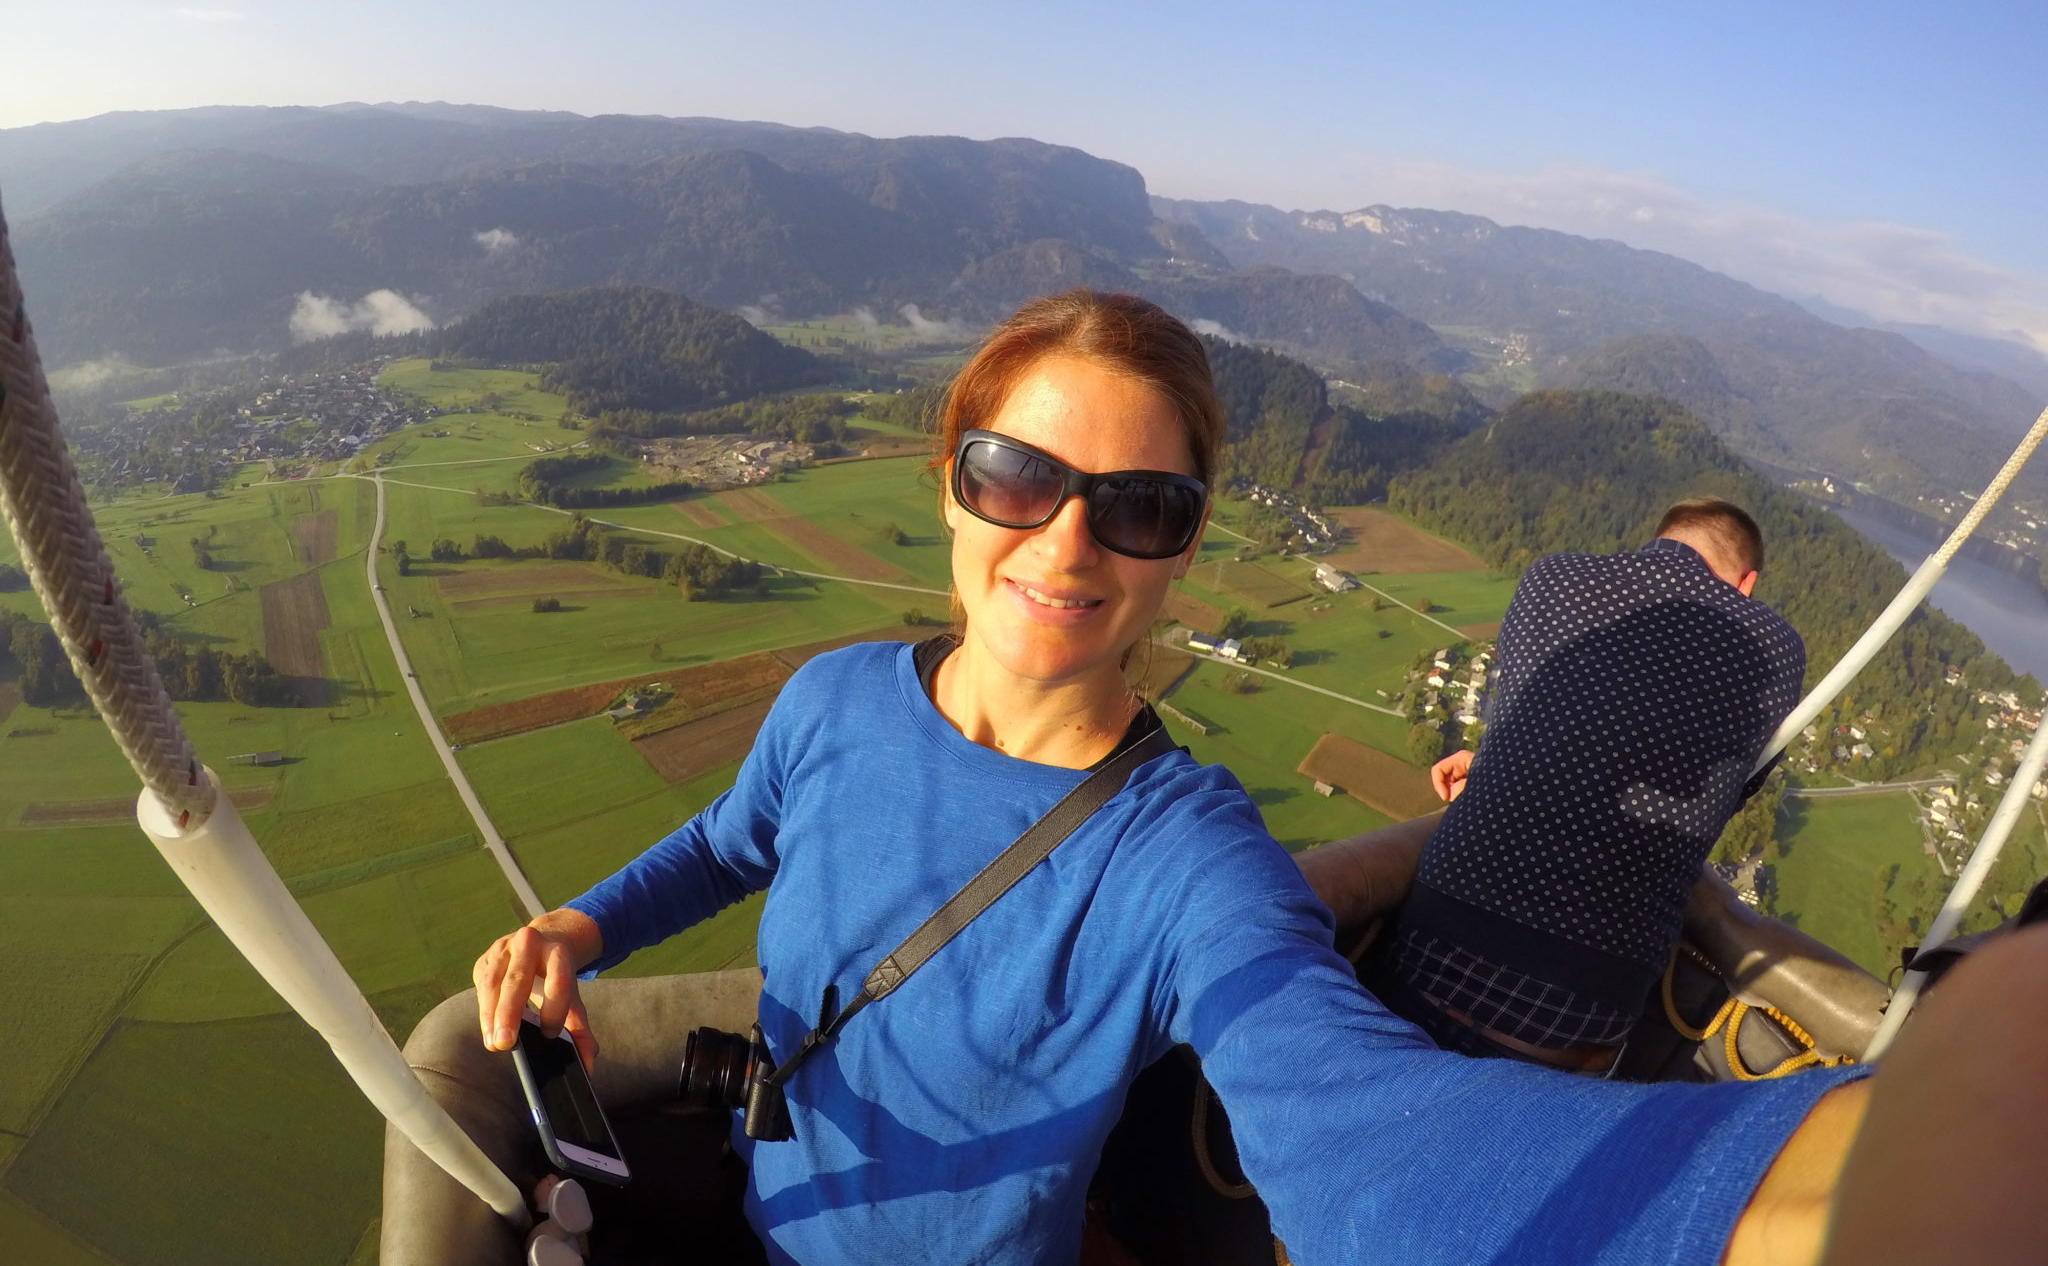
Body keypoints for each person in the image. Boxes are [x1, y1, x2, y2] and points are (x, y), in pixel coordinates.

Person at [447, 291, 2034, 1265]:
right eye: (1019, 476)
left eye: (1137, 508)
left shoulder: (1181, 853)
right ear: (949, 485)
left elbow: (1351, 1118)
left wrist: (1832, 1188)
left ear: (1184, 554)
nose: (1066, 539)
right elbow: (732, 837)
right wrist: (582, 925)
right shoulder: (833, 696)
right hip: (759, 1210)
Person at [1364, 499, 1803, 1070]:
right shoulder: (1776, 646)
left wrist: (1502, 763)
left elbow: (1520, 707)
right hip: (1587, 993)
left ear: (1660, 540)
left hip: (1440, 932)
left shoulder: (1554, 576)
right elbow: (1724, 792)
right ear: (1747, 582)